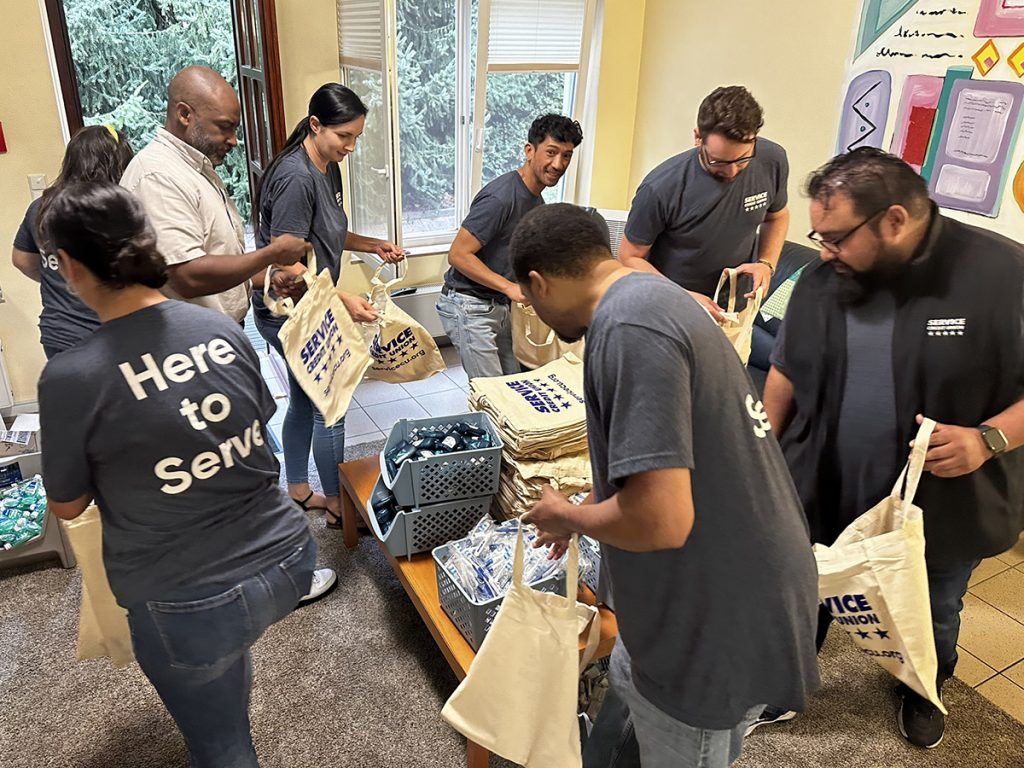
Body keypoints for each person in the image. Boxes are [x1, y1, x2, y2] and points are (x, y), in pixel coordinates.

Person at [511, 203, 820, 768]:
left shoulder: (629, 328)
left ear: (538, 283)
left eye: (529, 300)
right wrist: (593, 504)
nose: (532, 310)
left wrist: (567, 516)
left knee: (689, 743)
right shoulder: (650, 300)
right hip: (719, 575)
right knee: (631, 703)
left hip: (716, 606)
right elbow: (666, 461)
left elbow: (661, 519)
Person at [37, 182, 316, 768]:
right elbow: (258, 424)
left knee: (220, 748)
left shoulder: (71, 377)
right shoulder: (216, 330)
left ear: (67, 266)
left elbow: (66, 505)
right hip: (290, 558)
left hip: (187, 600)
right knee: (224, 650)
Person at [762, 147, 1024, 748]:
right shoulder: (829, 276)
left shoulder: (1000, 274)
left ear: (896, 220)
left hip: (941, 495)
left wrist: (989, 439)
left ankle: (923, 687)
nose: (823, 253)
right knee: (806, 587)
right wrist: (763, 457)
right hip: (824, 478)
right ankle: (790, 678)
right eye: (818, 238)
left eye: (835, 238)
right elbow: (787, 372)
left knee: (931, 606)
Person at [121, 65, 336, 604]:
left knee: (241, 462)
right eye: (223, 127)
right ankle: (275, 578)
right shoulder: (157, 175)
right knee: (240, 467)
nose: (234, 139)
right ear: (184, 115)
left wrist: (266, 276)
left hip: (215, 337)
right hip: (186, 351)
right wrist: (271, 254)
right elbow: (187, 272)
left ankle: (246, 572)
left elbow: (217, 255)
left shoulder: (195, 165)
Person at [252, 82, 405, 527]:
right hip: (290, 311)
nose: (351, 147)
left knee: (303, 404)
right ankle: (340, 501)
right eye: (345, 137)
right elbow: (287, 266)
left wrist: (371, 244)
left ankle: (299, 489)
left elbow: (329, 231)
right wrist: (344, 300)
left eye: (356, 137)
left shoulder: (325, 166)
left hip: (311, 305)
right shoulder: (297, 178)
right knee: (330, 407)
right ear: (315, 125)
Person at [618, 86, 790, 322]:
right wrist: (683, 297)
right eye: (718, 161)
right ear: (698, 137)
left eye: (742, 160)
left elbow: (777, 216)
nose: (731, 172)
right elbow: (629, 257)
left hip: (735, 309)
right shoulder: (660, 187)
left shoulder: (772, 160)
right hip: (672, 310)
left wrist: (766, 263)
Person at [436, 113, 583, 380]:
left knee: (512, 385)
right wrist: (509, 287)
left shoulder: (536, 201)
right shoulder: (501, 197)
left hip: (500, 305)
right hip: (469, 304)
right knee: (492, 394)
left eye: (567, 156)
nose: (558, 164)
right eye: (551, 152)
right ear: (529, 150)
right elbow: (458, 254)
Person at [11, 124, 134, 358]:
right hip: (107, 334)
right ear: (117, 165)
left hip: (58, 333)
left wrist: (62, 277)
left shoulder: (40, 207)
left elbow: (21, 260)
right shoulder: (115, 209)